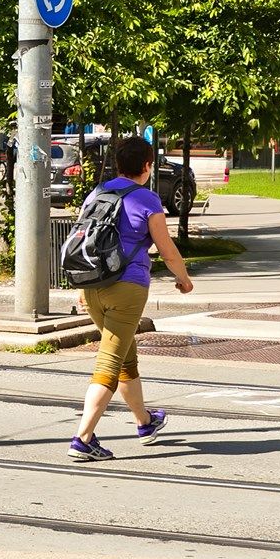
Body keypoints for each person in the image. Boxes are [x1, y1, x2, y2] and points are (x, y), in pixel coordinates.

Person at [68, 135, 193, 462]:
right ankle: (83, 439)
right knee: (109, 363)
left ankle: (145, 423)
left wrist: (83, 289)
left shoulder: (96, 193)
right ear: (147, 166)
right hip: (127, 288)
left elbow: (85, 242)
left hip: (93, 285)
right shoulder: (148, 199)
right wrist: (183, 279)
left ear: (118, 165)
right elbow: (166, 249)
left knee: (126, 359)